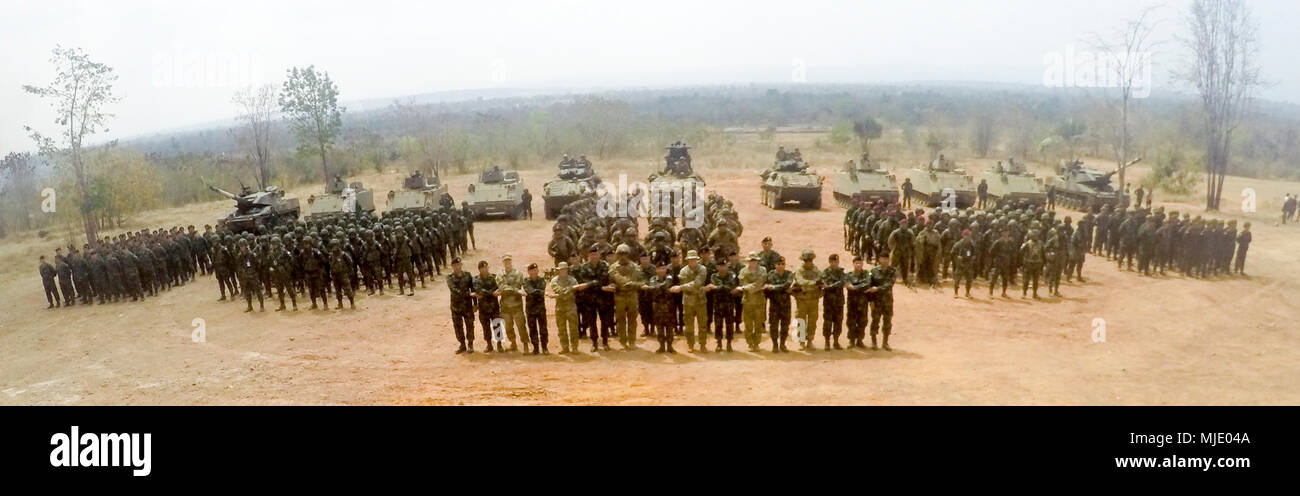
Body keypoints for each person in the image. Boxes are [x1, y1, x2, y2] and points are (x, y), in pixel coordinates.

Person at [671, 250, 709, 352]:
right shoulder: (683, 271)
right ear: (687, 260)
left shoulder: (702, 269)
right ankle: (690, 344)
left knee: (702, 325)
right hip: (688, 301)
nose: (692, 262)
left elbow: (697, 283)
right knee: (688, 325)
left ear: (697, 259)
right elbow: (691, 285)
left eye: (694, 259)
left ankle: (703, 345)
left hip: (700, 300)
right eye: (690, 260)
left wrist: (681, 287)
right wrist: (686, 287)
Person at [609, 243, 645, 350]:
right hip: (619, 296)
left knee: (632, 319)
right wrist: (613, 285)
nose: (622, 256)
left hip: (632, 295)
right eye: (620, 254)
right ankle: (623, 340)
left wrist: (633, 284)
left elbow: (642, 282)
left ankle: (632, 340)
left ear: (628, 254)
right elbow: (610, 282)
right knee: (620, 319)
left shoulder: (635, 267)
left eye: (624, 253)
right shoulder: (612, 268)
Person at [791, 249, 822, 351]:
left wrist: (808, 285)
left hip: (813, 299)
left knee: (813, 321)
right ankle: (801, 341)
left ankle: (810, 340)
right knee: (801, 320)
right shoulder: (799, 270)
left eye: (810, 260)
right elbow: (800, 281)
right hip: (802, 300)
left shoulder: (816, 269)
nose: (808, 262)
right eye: (806, 260)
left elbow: (820, 280)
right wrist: (813, 284)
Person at [496, 254, 527, 352]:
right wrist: (515, 290)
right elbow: (501, 286)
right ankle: (513, 343)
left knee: (521, 325)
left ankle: (525, 344)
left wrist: (508, 288)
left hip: (516, 305)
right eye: (505, 261)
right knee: (508, 326)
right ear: (503, 262)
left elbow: (517, 284)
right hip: (505, 305)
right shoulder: (500, 274)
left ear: (511, 262)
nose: (507, 263)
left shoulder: (518, 273)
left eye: (509, 261)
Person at [738, 252, 768, 352]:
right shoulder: (743, 271)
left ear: (757, 261)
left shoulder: (763, 270)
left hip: (759, 301)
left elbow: (760, 283)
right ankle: (750, 343)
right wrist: (750, 287)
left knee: (758, 324)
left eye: (754, 260)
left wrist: (747, 287)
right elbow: (742, 282)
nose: (753, 262)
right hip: (747, 301)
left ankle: (757, 343)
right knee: (748, 324)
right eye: (751, 260)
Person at [548, 262, 580, 354]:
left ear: (567, 270)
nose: (563, 271)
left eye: (564, 269)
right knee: (561, 328)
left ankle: (574, 347)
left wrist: (566, 291)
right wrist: (567, 290)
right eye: (561, 269)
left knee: (573, 328)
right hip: (560, 306)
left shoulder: (573, 280)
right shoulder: (554, 280)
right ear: (558, 270)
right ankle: (565, 347)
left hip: (571, 306)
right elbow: (556, 288)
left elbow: (575, 289)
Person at [867, 252, 896, 351]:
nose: (884, 261)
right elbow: (870, 286)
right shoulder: (874, 271)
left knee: (887, 322)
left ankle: (885, 342)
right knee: (875, 321)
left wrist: (878, 288)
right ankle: (873, 341)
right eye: (882, 258)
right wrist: (871, 301)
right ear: (879, 259)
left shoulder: (892, 271)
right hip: (877, 301)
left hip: (887, 301)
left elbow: (889, 284)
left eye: (886, 259)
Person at [709, 255, 739, 352]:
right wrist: (724, 287)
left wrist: (718, 287)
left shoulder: (732, 275)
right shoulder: (714, 276)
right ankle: (719, 343)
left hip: (729, 304)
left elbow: (729, 286)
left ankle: (729, 343)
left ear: (727, 266)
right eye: (720, 266)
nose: (722, 268)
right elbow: (726, 287)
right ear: (717, 267)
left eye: (724, 266)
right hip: (718, 304)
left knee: (729, 324)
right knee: (718, 324)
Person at [447, 258, 476, 354]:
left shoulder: (467, 275)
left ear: (461, 265)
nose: (457, 267)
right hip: (456, 306)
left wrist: (475, 304)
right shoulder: (450, 277)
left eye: (459, 265)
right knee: (458, 326)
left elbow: (473, 289)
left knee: (470, 325)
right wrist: (468, 294)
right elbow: (454, 290)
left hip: (467, 306)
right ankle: (462, 344)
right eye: (455, 265)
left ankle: (470, 344)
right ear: (452, 267)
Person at [764, 256, 793, 352]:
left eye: (782, 264)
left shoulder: (789, 274)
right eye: (778, 264)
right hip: (774, 304)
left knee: (785, 325)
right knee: (774, 325)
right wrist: (782, 288)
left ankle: (783, 344)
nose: (780, 266)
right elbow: (768, 286)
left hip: (785, 304)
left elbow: (787, 284)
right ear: (775, 265)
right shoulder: (771, 274)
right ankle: (775, 344)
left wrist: (775, 287)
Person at [645, 264, 676, 353]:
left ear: (666, 269)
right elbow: (655, 289)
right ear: (656, 270)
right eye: (659, 268)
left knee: (670, 327)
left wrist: (654, 287)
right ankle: (661, 346)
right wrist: (655, 288)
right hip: (657, 306)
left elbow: (665, 285)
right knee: (659, 327)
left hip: (669, 306)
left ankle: (670, 346)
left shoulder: (669, 278)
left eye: (663, 268)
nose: (661, 270)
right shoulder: (653, 279)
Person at [473, 260, 502, 352]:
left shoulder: (494, 277)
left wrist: (486, 293)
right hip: (483, 307)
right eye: (483, 268)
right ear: (479, 269)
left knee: (497, 325)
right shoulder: (476, 279)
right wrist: (492, 293)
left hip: (494, 306)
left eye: (486, 267)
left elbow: (498, 288)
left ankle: (499, 344)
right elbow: (479, 290)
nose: (485, 269)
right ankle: (489, 344)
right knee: (485, 327)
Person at [844, 256, 872, 348]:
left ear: (862, 264)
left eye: (860, 263)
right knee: (851, 321)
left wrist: (855, 287)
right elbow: (848, 285)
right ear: (853, 264)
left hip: (863, 302)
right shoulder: (849, 274)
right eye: (856, 263)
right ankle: (851, 340)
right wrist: (860, 286)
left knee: (862, 321)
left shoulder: (866, 273)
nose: (858, 265)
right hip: (852, 302)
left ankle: (860, 340)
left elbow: (867, 283)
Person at [820, 253, 846, 350]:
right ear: (830, 262)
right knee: (827, 321)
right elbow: (824, 283)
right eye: (833, 262)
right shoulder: (825, 272)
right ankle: (827, 342)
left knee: (838, 321)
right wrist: (831, 286)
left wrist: (830, 286)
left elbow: (842, 282)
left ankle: (836, 341)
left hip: (839, 300)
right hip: (828, 301)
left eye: (837, 262)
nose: (835, 264)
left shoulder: (841, 272)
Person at [523, 263, 549, 354]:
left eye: (535, 270)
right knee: (532, 329)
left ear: (537, 271)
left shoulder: (542, 280)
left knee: (543, 329)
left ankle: (545, 347)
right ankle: (536, 348)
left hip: (540, 308)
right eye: (531, 271)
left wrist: (536, 292)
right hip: (530, 309)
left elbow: (541, 290)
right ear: (529, 272)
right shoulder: (526, 281)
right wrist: (537, 291)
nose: (534, 272)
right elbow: (529, 291)